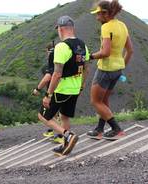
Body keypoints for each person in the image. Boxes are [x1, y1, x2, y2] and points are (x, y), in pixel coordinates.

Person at [38, 15, 90, 156]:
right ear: (72, 28)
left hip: (61, 89)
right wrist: (81, 87)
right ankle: (66, 147)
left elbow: (56, 74)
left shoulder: (62, 46)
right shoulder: (83, 45)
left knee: (43, 116)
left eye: (58, 30)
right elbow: (86, 69)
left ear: (61, 29)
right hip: (75, 88)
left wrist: (48, 95)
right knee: (64, 116)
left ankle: (68, 135)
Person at [87, 0, 134, 140]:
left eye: (98, 14)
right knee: (104, 100)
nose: (97, 18)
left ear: (106, 13)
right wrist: (121, 66)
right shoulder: (123, 26)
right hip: (117, 69)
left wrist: (90, 56)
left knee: (95, 101)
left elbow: (105, 52)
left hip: (105, 69)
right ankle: (99, 129)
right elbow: (130, 51)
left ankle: (116, 128)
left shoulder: (106, 27)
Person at [32, 42, 64, 144]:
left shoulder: (51, 62)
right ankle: (54, 132)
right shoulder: (62, 58)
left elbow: (48, 77)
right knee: (57, 113)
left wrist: (37, 89)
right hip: (63, 88)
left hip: (53, 90)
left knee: (44, 115)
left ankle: (62, 135)